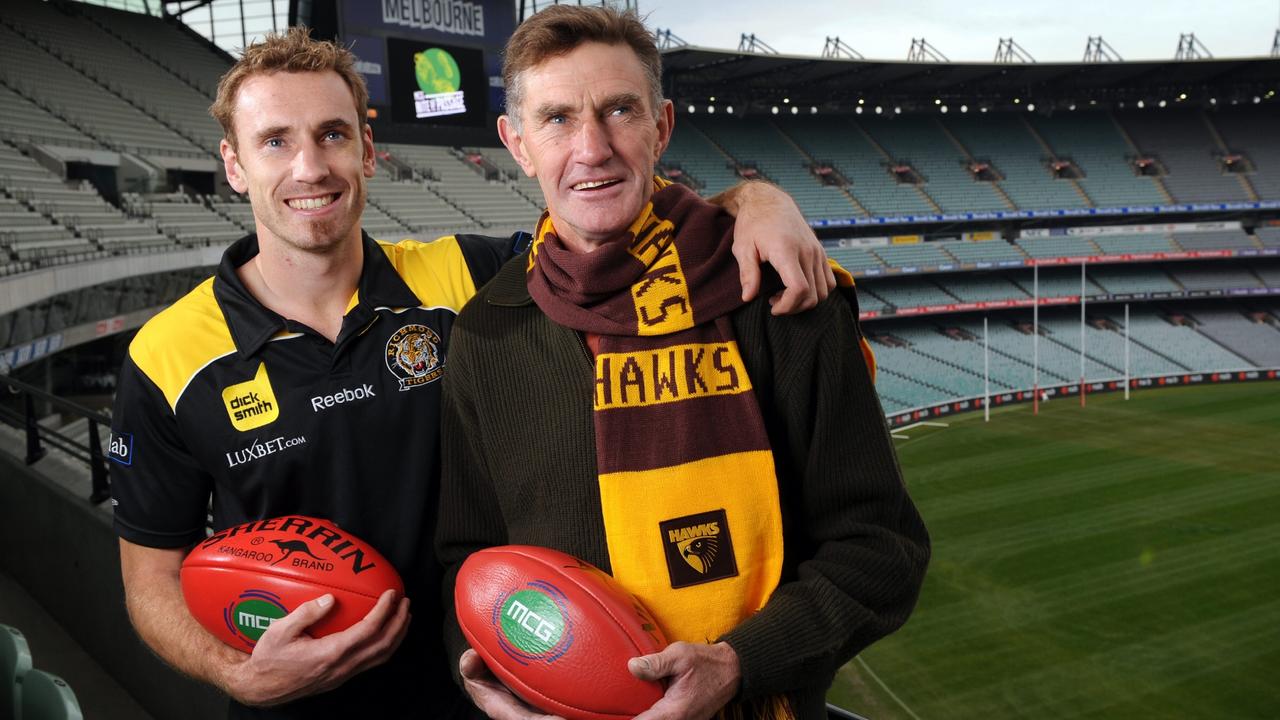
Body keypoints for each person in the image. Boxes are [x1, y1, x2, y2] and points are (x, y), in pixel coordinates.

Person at [107, 26, 835, 720]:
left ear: (367, 148)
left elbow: (614, 224)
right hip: (295, 710)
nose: (310, 167)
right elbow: (149, 582)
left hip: (491, 689)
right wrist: (242, 675)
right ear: (234, 165)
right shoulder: (167, 355)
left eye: (332, 134)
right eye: (275, 141)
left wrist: (751, 201)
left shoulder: (469, 276)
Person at [436, 7, 931, 720]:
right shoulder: (487, 333)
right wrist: (485, 679)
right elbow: (467, 561)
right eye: (556, 120)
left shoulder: (775, 292)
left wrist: (740, 664)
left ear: (662, 126)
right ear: (516, 144)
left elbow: (882, 548)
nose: (593, 147)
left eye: (619, 111)